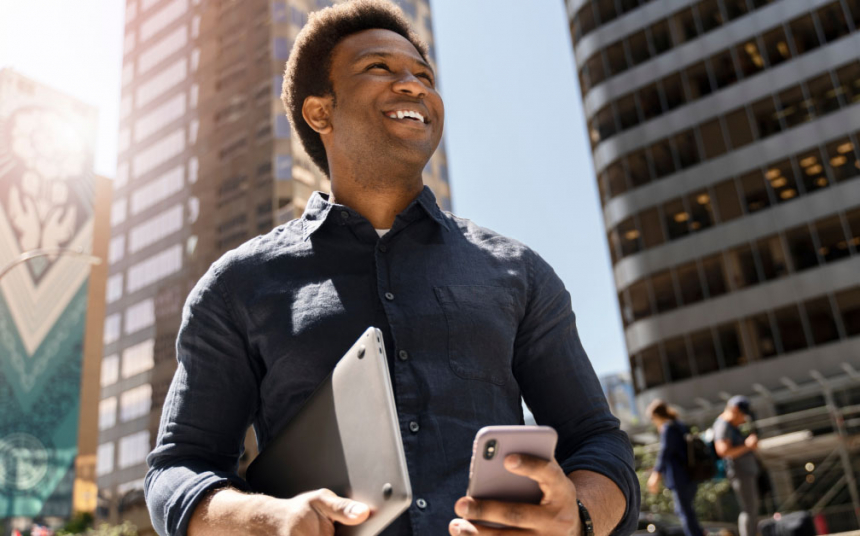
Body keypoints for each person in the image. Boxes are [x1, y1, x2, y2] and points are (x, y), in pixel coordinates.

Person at [142, 2, 640, 535]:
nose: (413, 86)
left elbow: (598, 441)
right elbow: (178, 467)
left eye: (423, 76)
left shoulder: (519, 272)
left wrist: (579, 516)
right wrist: (269, 519)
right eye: (379, 68)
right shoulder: (236, 286)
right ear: (320, 113)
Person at [645, 399, 704, 536]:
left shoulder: (668, 428)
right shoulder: (679, 424)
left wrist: (656, 474)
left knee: (684, 512)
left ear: (657, 416)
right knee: (688, 511)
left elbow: (665, 453)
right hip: (691, 474)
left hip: (679, 477)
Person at [714, 396, 760, 536]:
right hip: (739, 472)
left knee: (751, 509)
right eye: (743, 415)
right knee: (748, 509)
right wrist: (747, 446)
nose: (744, 419)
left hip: (744, 471)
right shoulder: (723, 425)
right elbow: (723, 451)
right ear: (735, 410)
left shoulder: (730, 425)